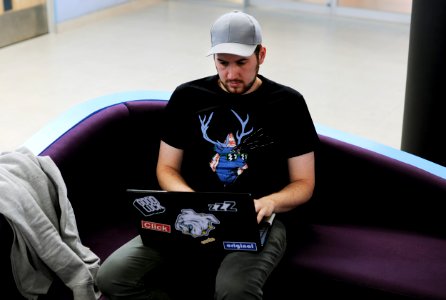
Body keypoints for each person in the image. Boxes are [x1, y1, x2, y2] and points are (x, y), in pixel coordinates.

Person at [96, 10, 319, 300]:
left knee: (235, 291)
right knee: (112, 277)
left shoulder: (288, 104)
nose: (231, 74)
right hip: (191, 212)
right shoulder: (187, 97)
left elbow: (304, 183)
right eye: (222, 63)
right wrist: (189, 200)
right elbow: (166, 168)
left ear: (261, 55)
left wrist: (270, 202)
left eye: (242, 63)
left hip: (257, 220)